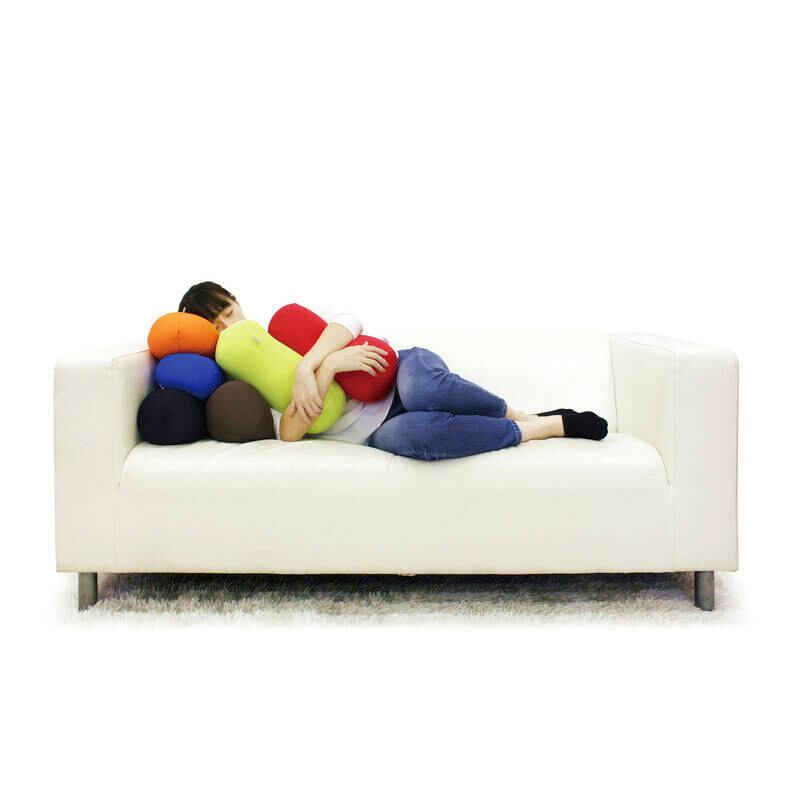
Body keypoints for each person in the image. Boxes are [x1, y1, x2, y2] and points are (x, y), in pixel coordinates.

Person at [179, 281, 608, 461]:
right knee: (417, 438)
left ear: (238, 302)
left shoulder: (282, 328)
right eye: (216, 326)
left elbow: (349, 320)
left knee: (424, 390)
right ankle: (543, 428)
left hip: (399, 372)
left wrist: (312, 363)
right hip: (373, 430)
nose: (228, 327)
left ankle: (520, 414)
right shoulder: (239, 382)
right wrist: (327, 372)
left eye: (229, 313)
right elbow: (288, 433)